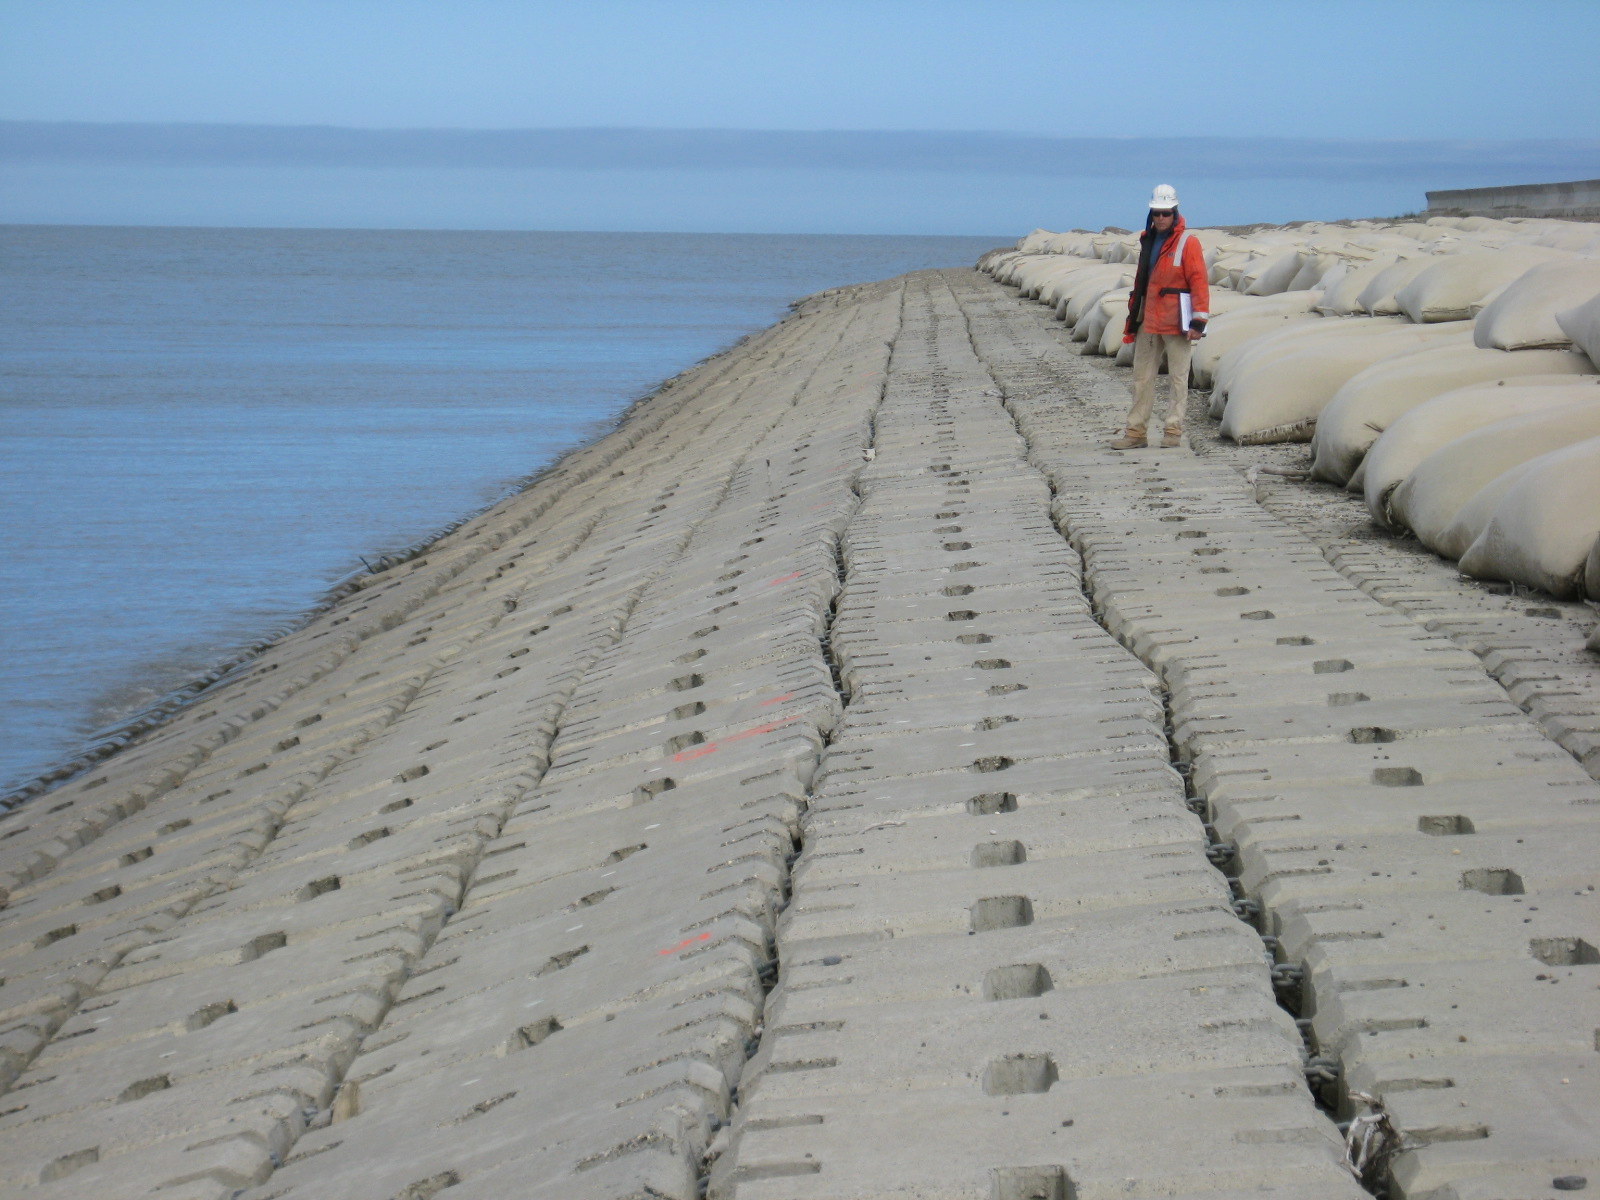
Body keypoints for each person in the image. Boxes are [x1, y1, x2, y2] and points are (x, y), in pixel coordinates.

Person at [1110, 184, 1210, 449]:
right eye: (1156, 213)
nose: (1161, 218)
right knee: (1142, 378)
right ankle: (1135, 432)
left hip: (1177, 323)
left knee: (1178, 378)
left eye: (1166, 213)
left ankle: (1173, 431)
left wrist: (1199, 321)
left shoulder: (1188, 243)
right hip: (1149, 321)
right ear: (1151, 214)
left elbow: (1198, 280)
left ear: (1175, 213)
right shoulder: (1148, 240)